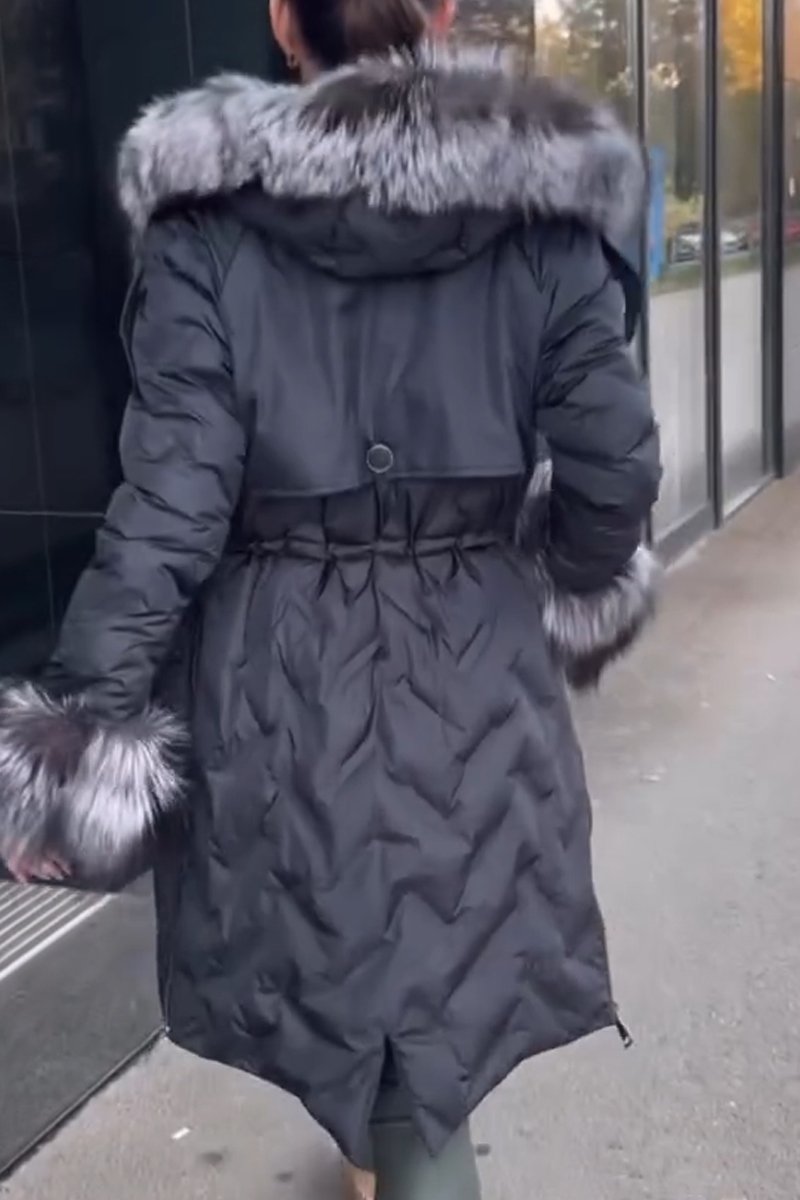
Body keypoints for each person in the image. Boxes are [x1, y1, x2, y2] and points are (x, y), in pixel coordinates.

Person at [0, 0, 661, 1196]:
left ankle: (390, 1150)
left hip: (279, 679)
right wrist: (562, 570)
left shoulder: (208, 229)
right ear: (442, 13)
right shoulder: (541, 218)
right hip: (474, 667)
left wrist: (82, 730)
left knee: (368, 1003)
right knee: (429, 999)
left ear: (280, 19)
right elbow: (612, 466)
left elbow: (169, 507)